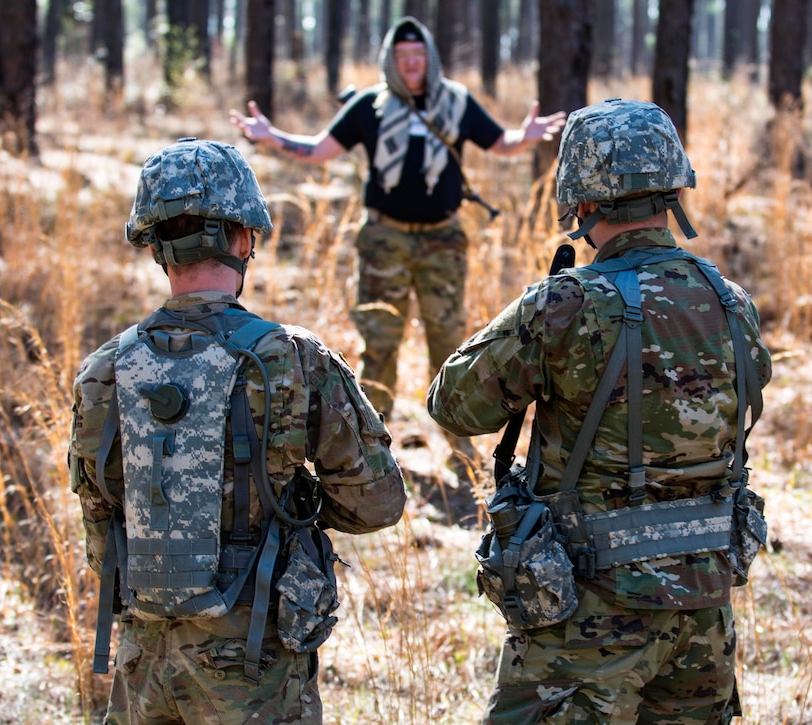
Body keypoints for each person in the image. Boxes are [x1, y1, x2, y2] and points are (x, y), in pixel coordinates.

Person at [427, 99, 773, 723]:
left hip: (585, 623)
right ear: (671, 190)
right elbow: (750, 394)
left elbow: (453, 403)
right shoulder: (730, 302)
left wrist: (536, 315)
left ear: (580, 204)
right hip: (703, 620)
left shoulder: (568, 306)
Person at [68, 138, 406, 724]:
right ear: (245, 238)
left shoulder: (105, 366)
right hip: (252, 663)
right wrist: (294, 506)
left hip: (143, 658)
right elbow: (377, 503)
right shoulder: (293, 358)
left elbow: (101, 525)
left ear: (154, 247)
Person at [229, 16, 565, 469]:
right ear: (391, 60)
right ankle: (372, 449)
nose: (411, 65)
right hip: (383, 240)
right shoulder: (370, 106)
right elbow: (320, 148)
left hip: (442, 240)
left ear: (430, 58)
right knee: (380, 340)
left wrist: (522, 138)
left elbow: (497, 141)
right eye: (402, 58)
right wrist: (273, 138)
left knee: (448, 340)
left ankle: (457, 446)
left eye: (418, 56)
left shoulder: (456, 101)